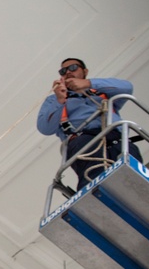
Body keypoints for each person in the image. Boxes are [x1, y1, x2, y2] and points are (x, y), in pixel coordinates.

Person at [37, 57, 142, 190]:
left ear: (85, 71)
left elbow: (127, 88)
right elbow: (45, 128)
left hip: (117, 138)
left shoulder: (101, 91)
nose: (68, 72)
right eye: (63, 71)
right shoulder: (53, 100)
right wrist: (59, 100)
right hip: (83, 141)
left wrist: (88, 83)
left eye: (73, 68)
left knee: (135, 179)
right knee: (94, 180)